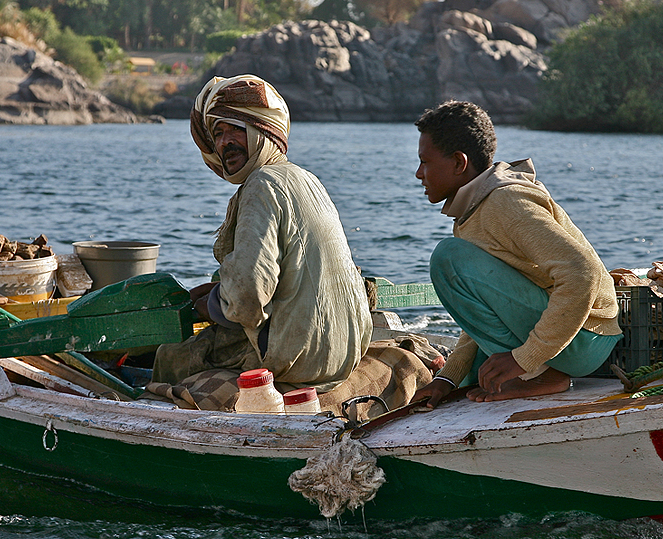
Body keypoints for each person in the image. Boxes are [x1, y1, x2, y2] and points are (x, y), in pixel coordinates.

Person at [150, 74, 372, 409]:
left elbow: (250, 292)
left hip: (302, 360)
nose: (225, 143)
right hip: (344, 354)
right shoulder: (304, 178)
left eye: (234, 129)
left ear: (262, 130)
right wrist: (219, 295)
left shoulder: (262, 184)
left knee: (172, 356)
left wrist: (212, 305)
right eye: (219, 134)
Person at [409, 100, 622, 409]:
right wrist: (449, 377)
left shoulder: (504, 202)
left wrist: (524, 360)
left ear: (458, 163)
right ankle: (533, 370)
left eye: (425, 162)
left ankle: (542, 376)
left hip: (585, 337)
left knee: (448, 258)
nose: (419, 174)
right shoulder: (475, 208)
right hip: (572, 339)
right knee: (474, 372)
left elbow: (581, 271)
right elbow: (484, 309)